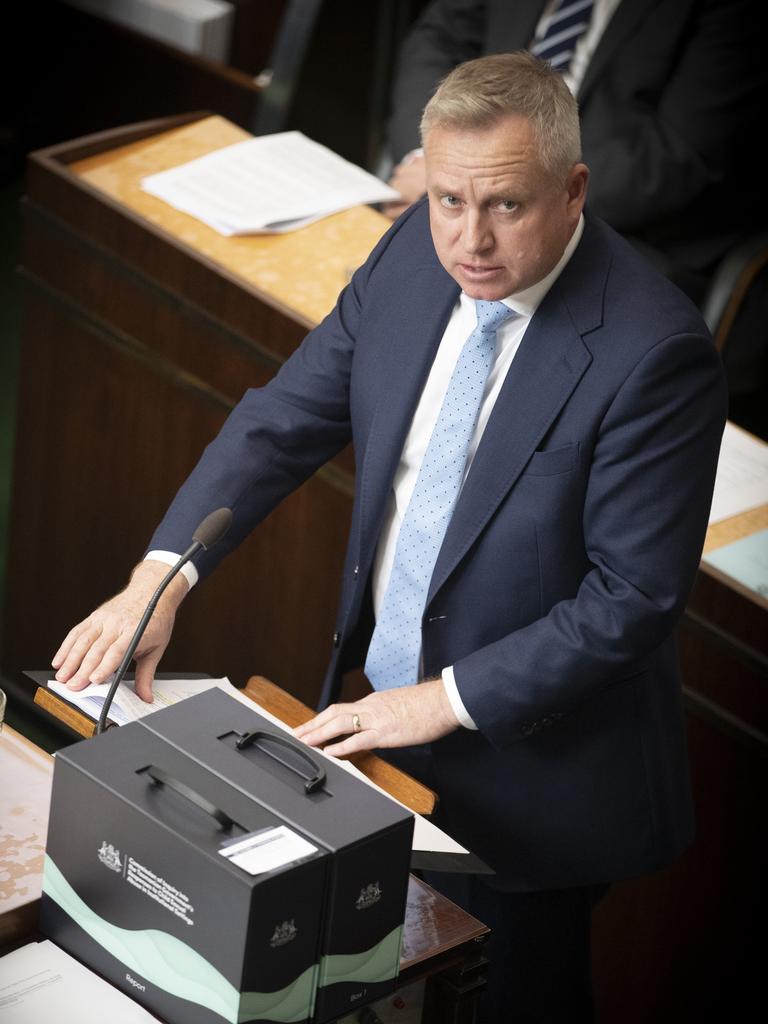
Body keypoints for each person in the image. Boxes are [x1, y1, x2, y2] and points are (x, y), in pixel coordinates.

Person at [53, 53, 726, 1022]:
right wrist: (163, 577)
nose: (470, 240)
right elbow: (283, 418)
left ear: (573, 190)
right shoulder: (415, 250)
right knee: (370, 982)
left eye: (505, 207)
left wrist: (443, 699)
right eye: (448, 198)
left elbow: (633, 598)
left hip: (536, 776)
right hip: (380, 736)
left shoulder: (655, 353)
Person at [382, 0, 765, 305]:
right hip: (467, 179)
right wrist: (439, 167)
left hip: (633, 229)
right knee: (370, 284)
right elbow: (437, 40)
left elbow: (679, 153)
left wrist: (511, 192)